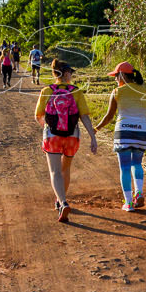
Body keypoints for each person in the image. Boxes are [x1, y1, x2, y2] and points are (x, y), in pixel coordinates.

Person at [35, 59, 97, 222]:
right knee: (65, 169)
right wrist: (92, 136)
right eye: (71, 72)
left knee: (55, 171)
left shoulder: (47, 90)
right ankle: (59, 200)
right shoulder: (76, 91)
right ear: (66, 73)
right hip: (72, 136)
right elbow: (84, 116)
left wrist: (47, 128)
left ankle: (62, 202)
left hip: (52, 136)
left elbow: (38, 115)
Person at [96, 61, 146, 212]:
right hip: (141, 132)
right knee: (137, 163)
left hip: (123, 133)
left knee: (124, 167)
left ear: (122, 76)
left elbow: (109, 116)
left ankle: (129, 203)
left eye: (116, 76)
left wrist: (96, 128)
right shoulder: (145, 90)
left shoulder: (117, 92)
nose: (115, 80)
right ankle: (139, 192)